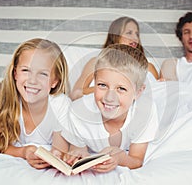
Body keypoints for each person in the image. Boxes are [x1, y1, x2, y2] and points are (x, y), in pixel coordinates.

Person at [62, 44, 158, 173]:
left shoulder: (145, 111)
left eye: (121, 89)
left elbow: (136, 160)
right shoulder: (78, 111)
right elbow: (79, 150)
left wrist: (121, 158)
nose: (109, 97)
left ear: (138, 92)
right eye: (102, 85)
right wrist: (77, 155)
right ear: (94, 82)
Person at [0, 38, 71, 169]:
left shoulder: (60, 104)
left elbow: (59, 149)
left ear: (54, 81)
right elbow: (1, 145)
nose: (32, 80)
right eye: (26, 70)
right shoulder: (8, 100)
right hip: (1, 95)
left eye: (43, 73)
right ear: (15, 73)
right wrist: (24, 152)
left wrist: (55, 156)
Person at [69, 16, 159, 101]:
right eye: (129, 33)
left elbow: (158, 96)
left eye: (137, 34)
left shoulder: (148, 67)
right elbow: (75, 94)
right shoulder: (96, 62)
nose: (135, 38)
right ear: (115, 36)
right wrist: (105, 88)